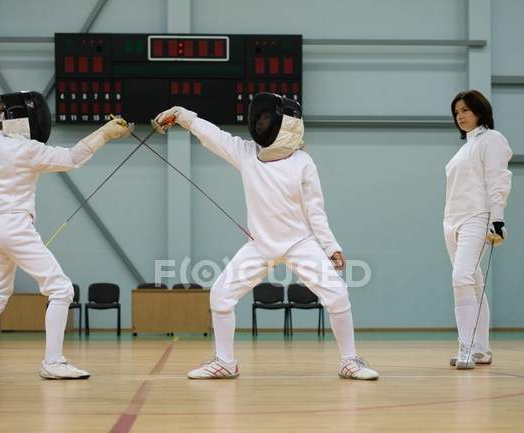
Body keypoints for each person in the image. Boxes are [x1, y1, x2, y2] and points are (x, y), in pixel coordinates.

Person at [152, 93, 378, 380]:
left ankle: (349, 361)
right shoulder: (246, 154)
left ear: (286, 125)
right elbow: (214, 136)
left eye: (267, 119)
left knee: (337, 295)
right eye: (259, 118)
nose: (261, 123)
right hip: (260, 246)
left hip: (300, 243)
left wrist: (330, 246)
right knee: (221, 295)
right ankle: (225, 362)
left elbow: (315, 210)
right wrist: (183, 115)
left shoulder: (303, 162)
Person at [0, 91, 130, 379]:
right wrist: (104, 133)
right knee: (61, 289)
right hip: (15, 228)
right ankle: (53, 362)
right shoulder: (27, 150)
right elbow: (73, 157)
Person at [444, 90, 513, 369]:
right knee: (473, 283)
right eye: (457, 112)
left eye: (466, 110)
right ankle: (482, 350)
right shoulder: (464, 148)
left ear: (480, 112)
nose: (460, 116)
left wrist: (497, 218)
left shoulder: (492, 140)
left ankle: (467, 348)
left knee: (461, 277)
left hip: (478, 217)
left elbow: (498, 179)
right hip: (452, 221)